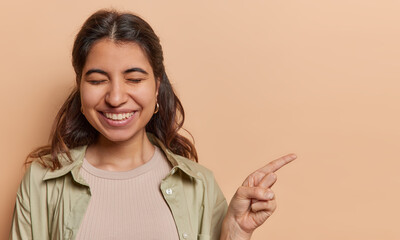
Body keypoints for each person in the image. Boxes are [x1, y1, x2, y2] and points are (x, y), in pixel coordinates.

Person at [9, 9, 296, 240]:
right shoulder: (41, 182)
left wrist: (235, 233)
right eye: (97, 80)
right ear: (80, 86)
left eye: (134, 79)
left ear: (157, 87)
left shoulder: (200, 185)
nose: (116, 97)